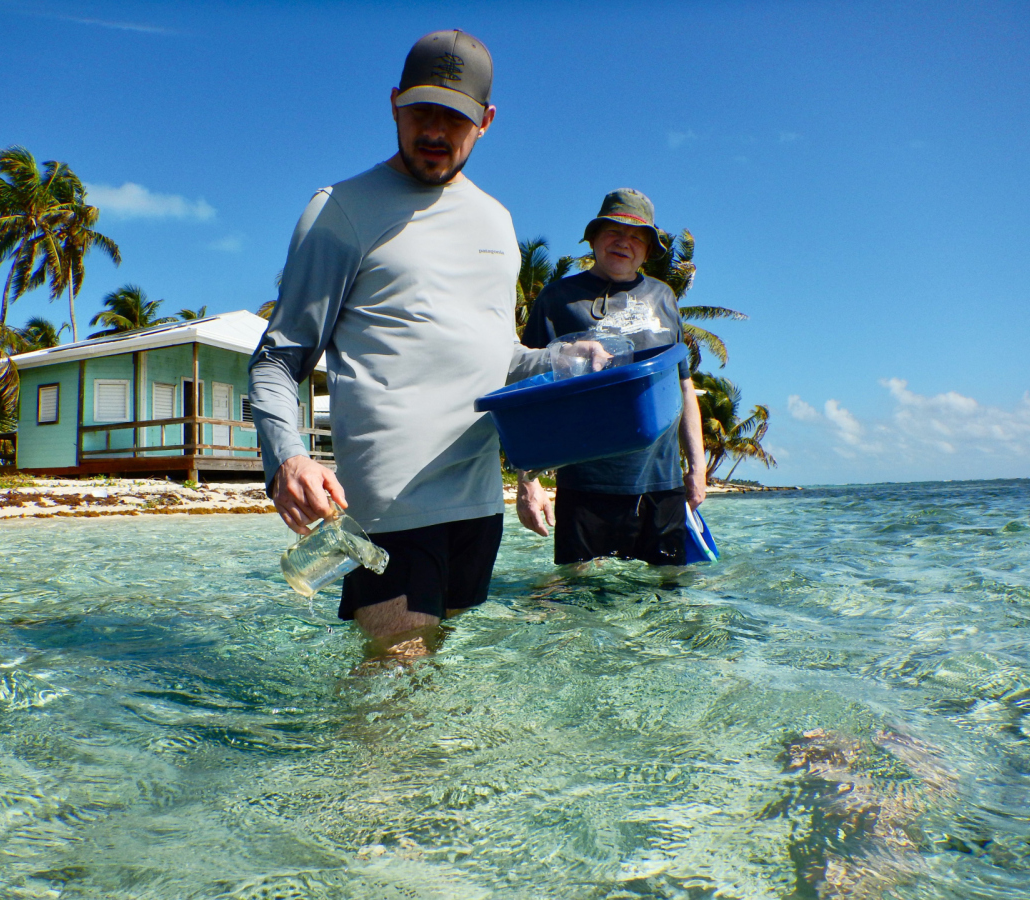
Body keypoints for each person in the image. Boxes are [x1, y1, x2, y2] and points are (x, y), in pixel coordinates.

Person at [248, 30, 546, 648]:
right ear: (392, 103)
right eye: (420, 110)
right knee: (393, 690)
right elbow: (279, 357)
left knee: (429, 690)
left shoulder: (498, 220)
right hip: (388, 510)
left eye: (454, 117)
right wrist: (289, 458)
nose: (434, 130)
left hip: (477, 506)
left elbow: (498, 353)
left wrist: (568, 363)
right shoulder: (340, 210)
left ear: (486, 121)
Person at [517, 189, 707, 566]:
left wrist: (697, 470)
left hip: (661, 484)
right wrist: (528, 482)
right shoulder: (557, 298)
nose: (625, 242)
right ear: (593, 237)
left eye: (637, 236)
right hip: (586, 486)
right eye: (613, 231)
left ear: (649, 249)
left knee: (667, 606)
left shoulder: (664, 297)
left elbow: (683, 386)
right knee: (580, 607)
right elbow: (526, 394)